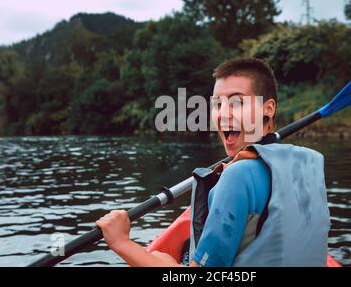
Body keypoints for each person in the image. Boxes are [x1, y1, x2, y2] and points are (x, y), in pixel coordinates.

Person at [96, 57, 330, 267]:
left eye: (237, 102)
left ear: (268, 109)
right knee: (163, 259)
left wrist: (121, 242)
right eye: (217, 104)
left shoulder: (237, 176)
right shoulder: (306, 162)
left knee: (161, 259)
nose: (222, 113)